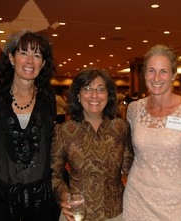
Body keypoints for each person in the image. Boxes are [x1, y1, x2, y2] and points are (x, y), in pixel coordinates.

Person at [0, 30, 59, 220]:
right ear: (11, 58)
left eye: (37, 55)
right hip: (0, 199)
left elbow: (51, 144)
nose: (29, 61)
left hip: (41, 198)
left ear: (43, 64)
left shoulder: (47, 98)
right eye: (23, 53)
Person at [122, 44, 181, 220]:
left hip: (172, 202)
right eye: (151, 71)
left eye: (163, 71)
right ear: (144, 74)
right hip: (136, 197)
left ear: (174, 75)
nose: (157, 77)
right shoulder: (134, 109)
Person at [51, 68, 134, 221]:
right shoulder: (64, 131)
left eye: (101, 89)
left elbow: (131, 169)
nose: (94, 95)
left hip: (115, 213)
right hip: (76, 214)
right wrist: (65, 196)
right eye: (87, 89)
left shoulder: (120, 128)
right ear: (77, 95)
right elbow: (54, 174)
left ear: (108, 95)